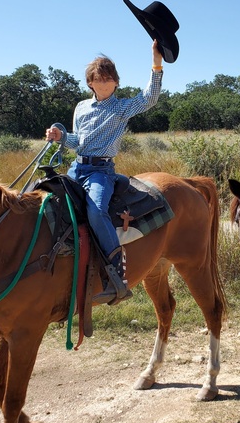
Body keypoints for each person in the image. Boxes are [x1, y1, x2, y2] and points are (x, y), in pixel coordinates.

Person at [46, 40, 163, 305]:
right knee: (48, 203)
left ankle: (115, 268)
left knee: (96, 210)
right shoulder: (81, 107)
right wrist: (60, 136)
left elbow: (149, 98)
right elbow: (78, 141)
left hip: (101, 171)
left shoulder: (121, 108)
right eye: (99, 78)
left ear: (116, 83)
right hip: (77, 166)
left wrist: (156, 63)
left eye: (109, 78)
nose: (104, 82)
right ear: (90, 82)